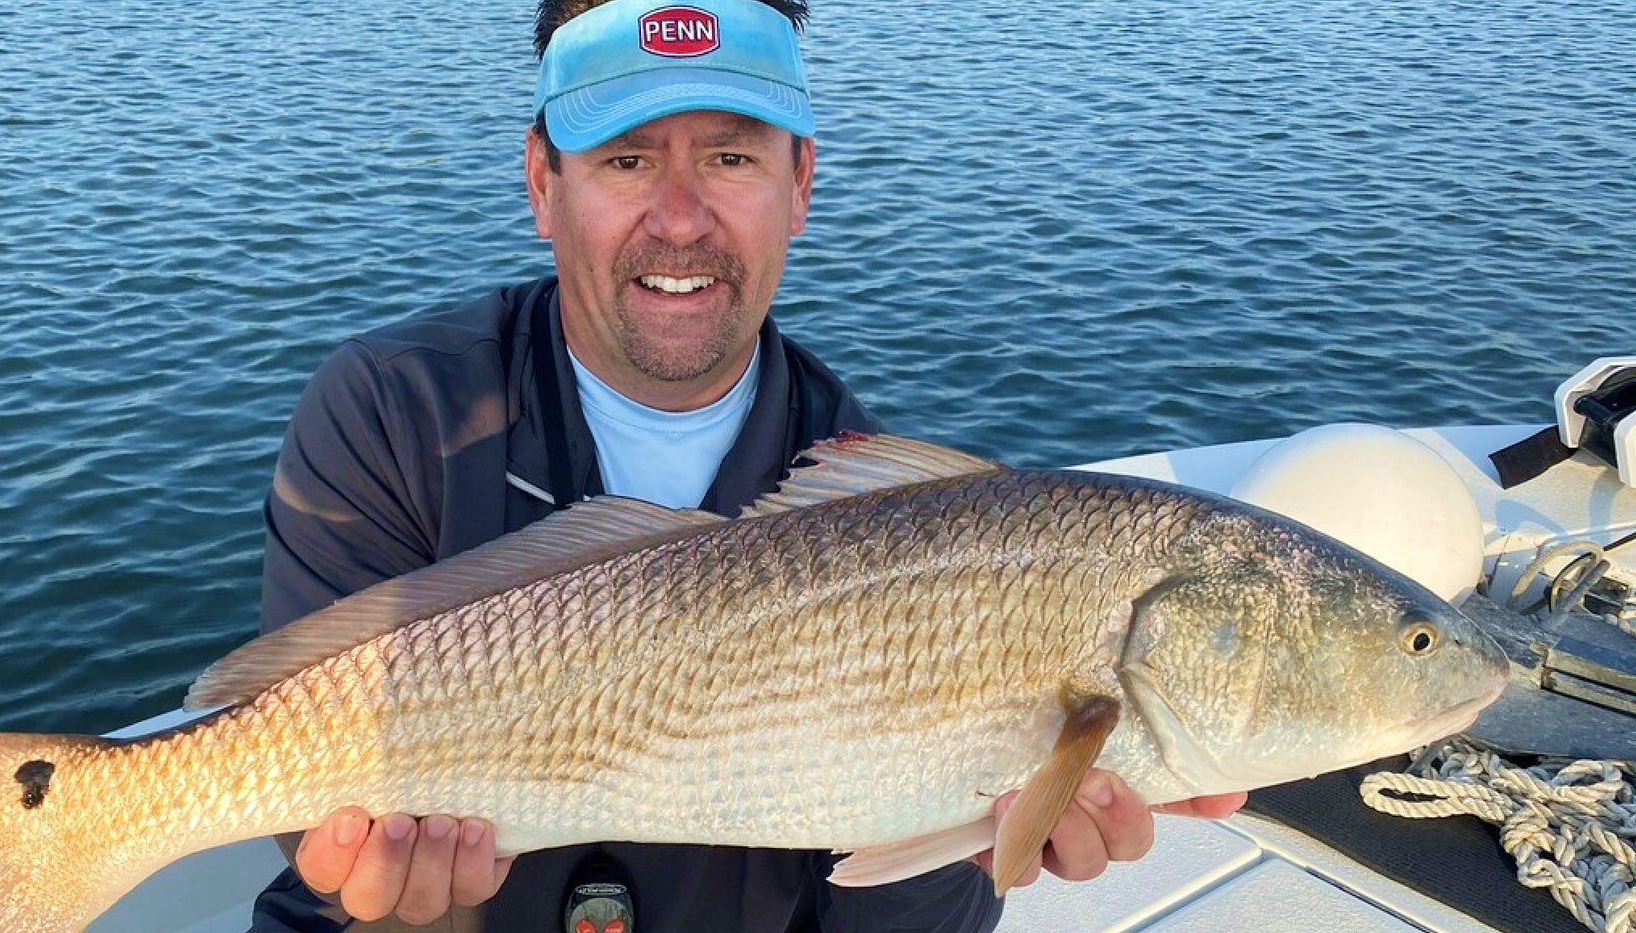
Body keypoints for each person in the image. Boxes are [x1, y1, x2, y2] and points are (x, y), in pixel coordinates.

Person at [249, 0, 1246, 930]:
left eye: (730, 156)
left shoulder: (886, 498)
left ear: (800, 183)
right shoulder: (396, 408)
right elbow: (292, 782)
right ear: (543, 185)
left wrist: (977, 841)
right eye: (628, 159)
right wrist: (378, 891)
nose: (680, 219)